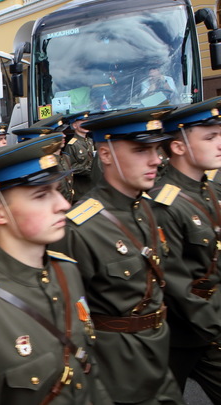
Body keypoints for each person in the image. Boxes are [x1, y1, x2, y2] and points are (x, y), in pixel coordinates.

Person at [0, 134, 110, 404]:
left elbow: (86, 372)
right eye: (41, 195)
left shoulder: (66, 272)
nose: (63, 205)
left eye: (56, 190)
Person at [52, 106, 185, 404]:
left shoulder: (147, 208)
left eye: (155, 149)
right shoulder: (80, 227)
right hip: (116, 371)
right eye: (141, 150)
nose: (156, 159)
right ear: (107, 154)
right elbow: (68, 314)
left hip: (158, 355)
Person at [149, 97, 221, 402]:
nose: (220, 143)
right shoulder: (163, 204)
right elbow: (174, 284)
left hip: (207, 331)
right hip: (177, 336)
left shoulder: (209, 190)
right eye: (210, 137)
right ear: (178, 147)